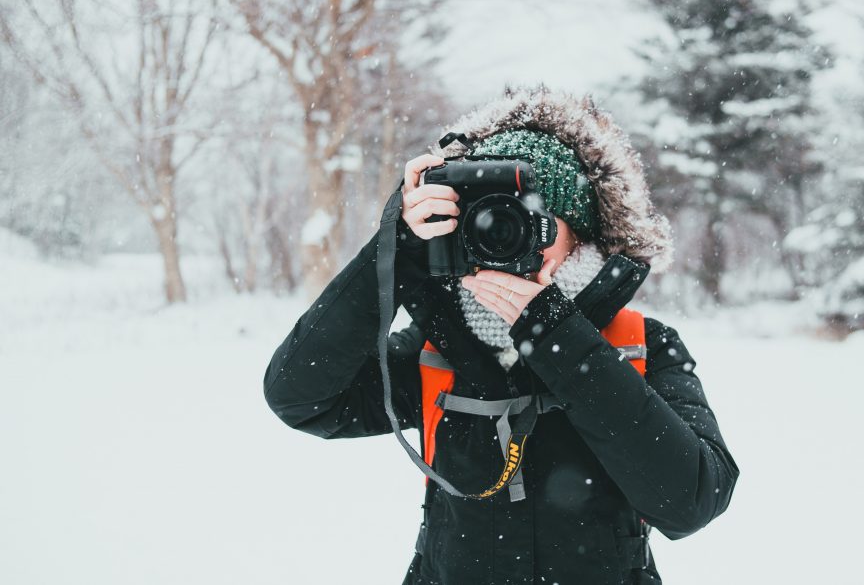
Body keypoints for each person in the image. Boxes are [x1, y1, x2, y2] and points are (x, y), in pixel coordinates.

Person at [263, 85, 739, 585]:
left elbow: (693, 502)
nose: (502, 237)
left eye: (531, 223)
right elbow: (301, 398)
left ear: (580, 233)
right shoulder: (443, 345)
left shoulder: (640, 344)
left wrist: (555, 333)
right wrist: (393, 253)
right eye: (484, 221)